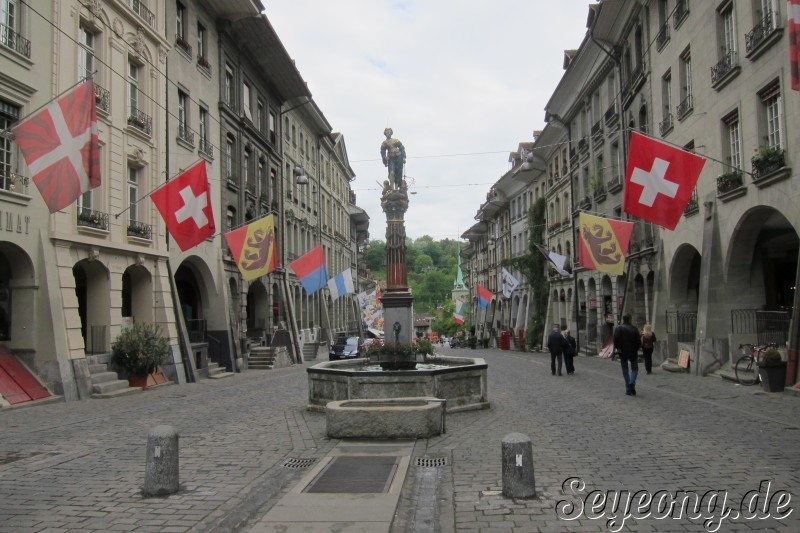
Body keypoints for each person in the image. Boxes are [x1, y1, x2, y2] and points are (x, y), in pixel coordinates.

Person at [613, 314, 641, 396]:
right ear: (630, 319)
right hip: (632, 352)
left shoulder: (618, 328)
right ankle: (631, 382)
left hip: (622, 352)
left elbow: (615, 340)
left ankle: (628, 389)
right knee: (635, 369)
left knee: (625, 370)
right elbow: (639, 342)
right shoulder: (634, 329)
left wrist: (618, 348)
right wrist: (636, 349)